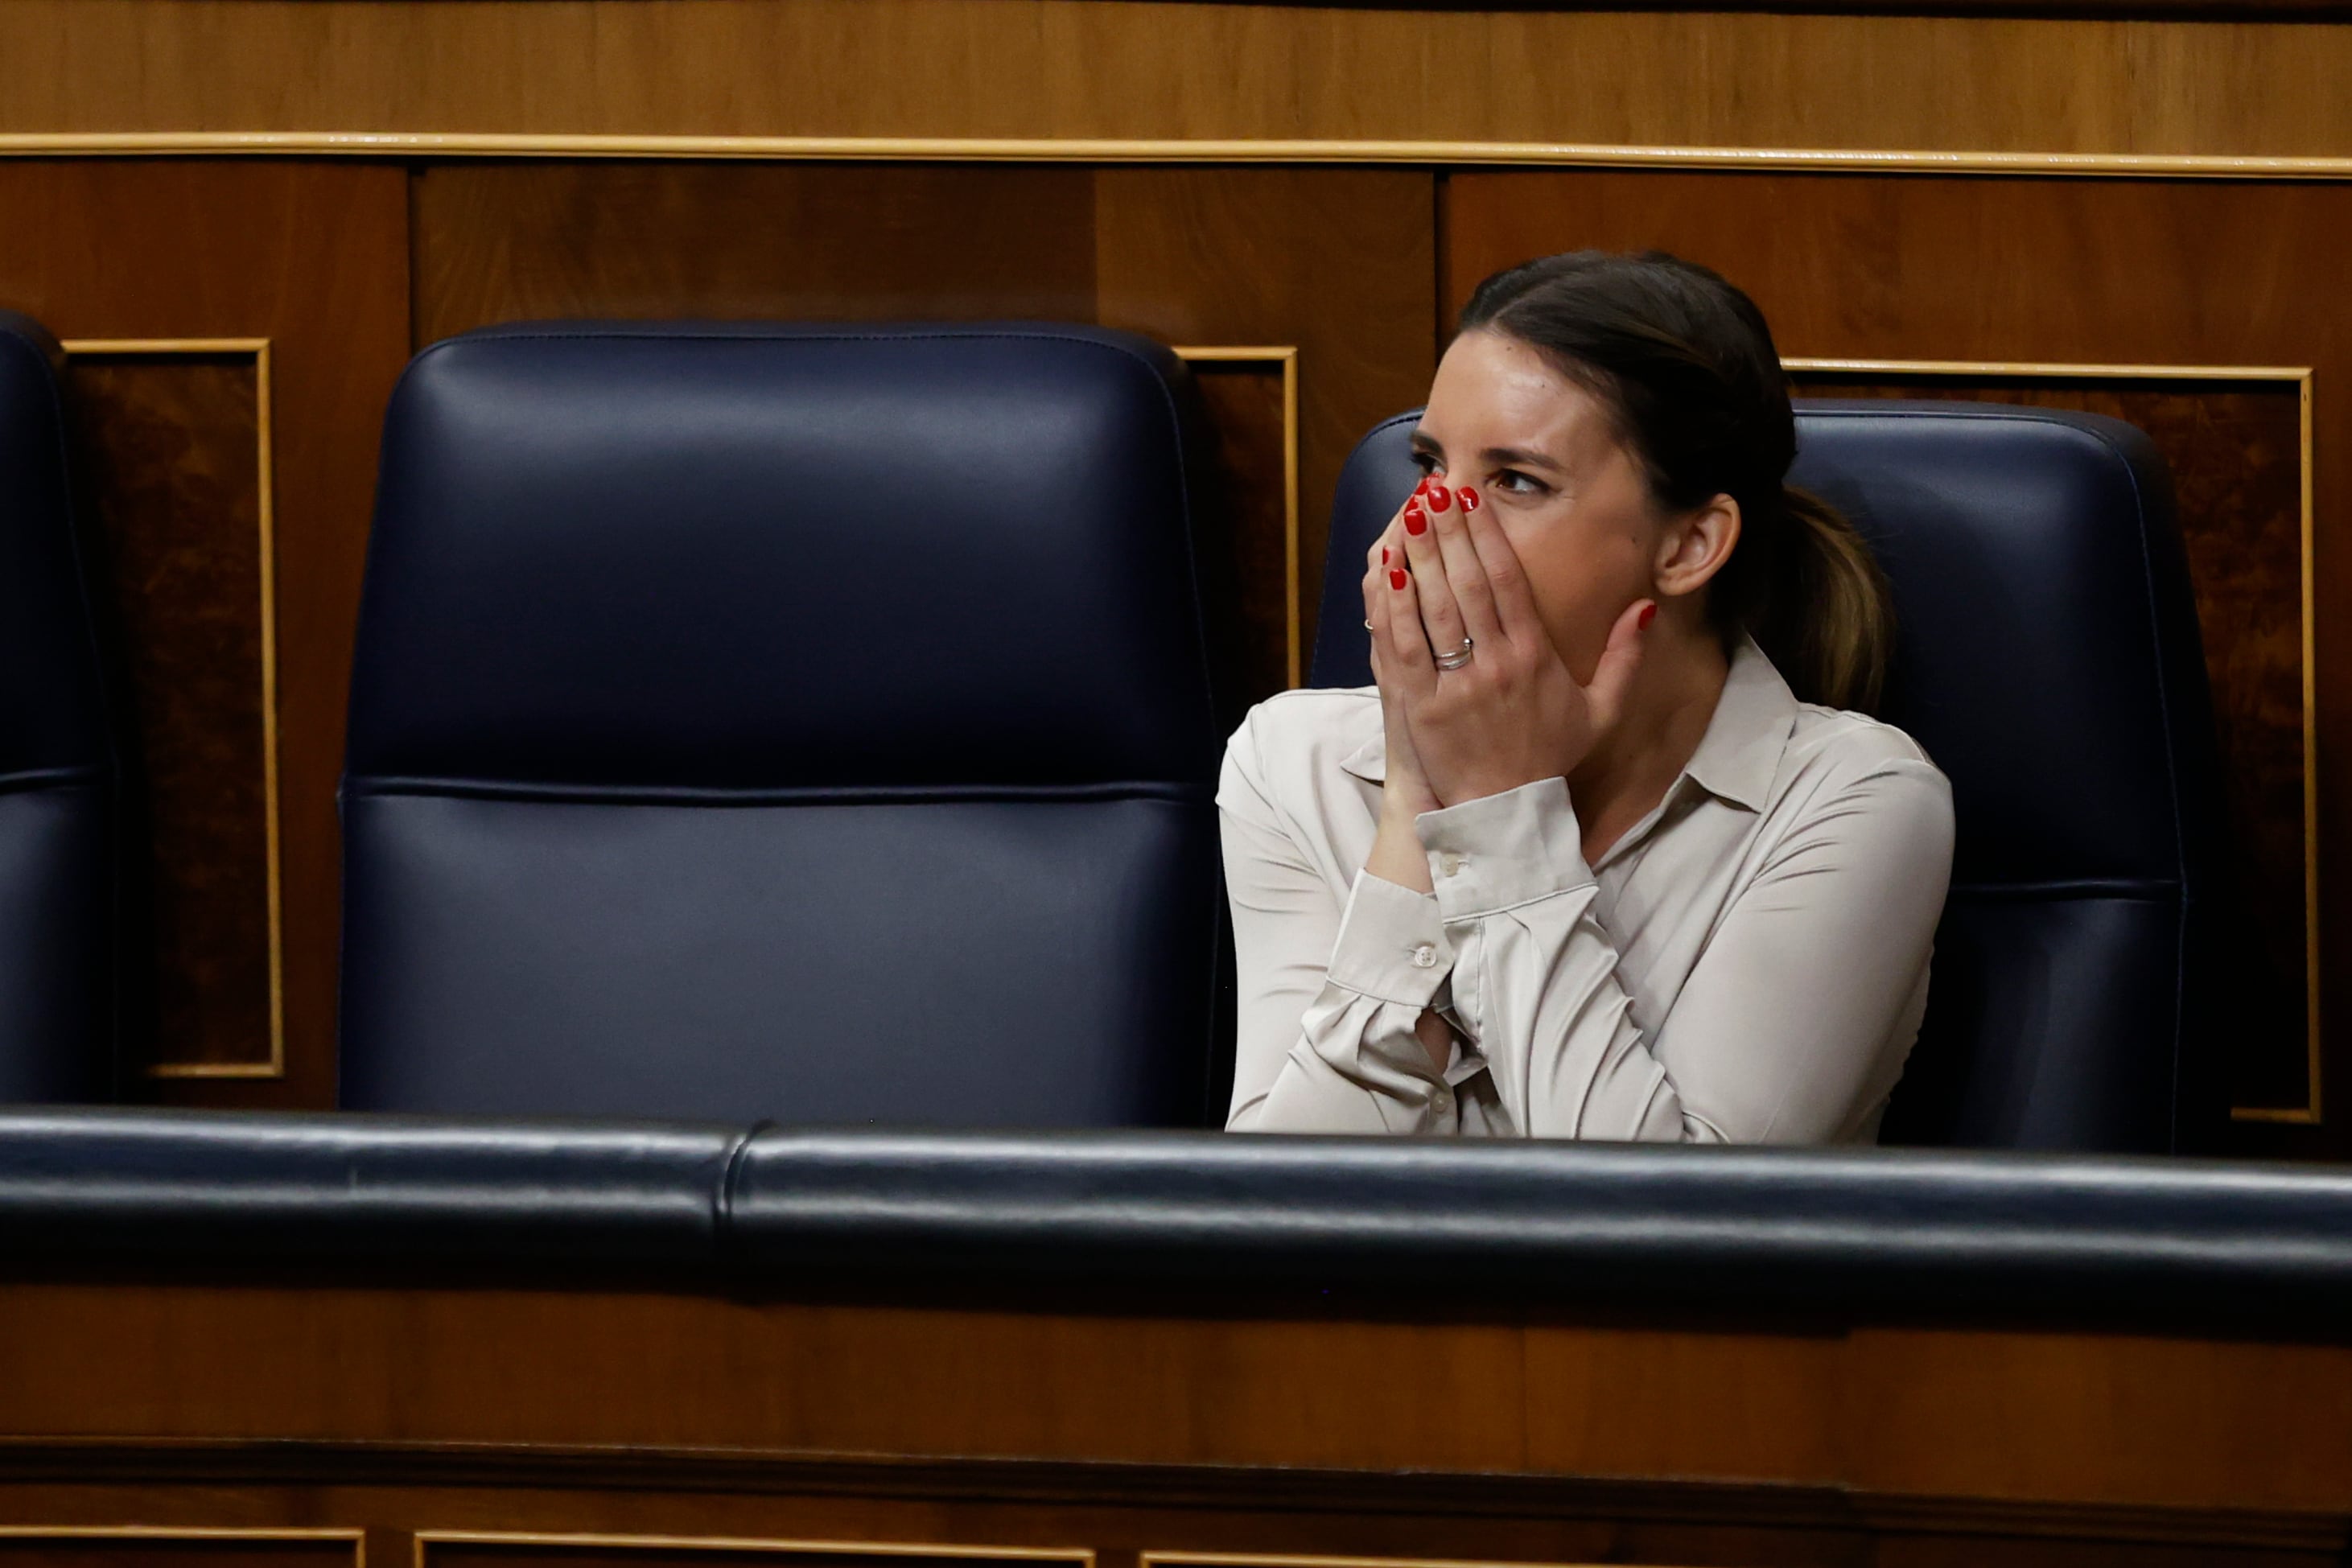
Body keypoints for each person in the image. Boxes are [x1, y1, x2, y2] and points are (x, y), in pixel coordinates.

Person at [1219, 250, 1955, 1141]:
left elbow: (1653, 1243)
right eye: (1429, 466)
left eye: (1516, 481)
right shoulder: (1289, 762)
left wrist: (1497, 811)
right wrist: (1416, 793)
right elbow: (1286, 1235)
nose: (1436, 528)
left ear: (1688, 544)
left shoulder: (1855, 800)